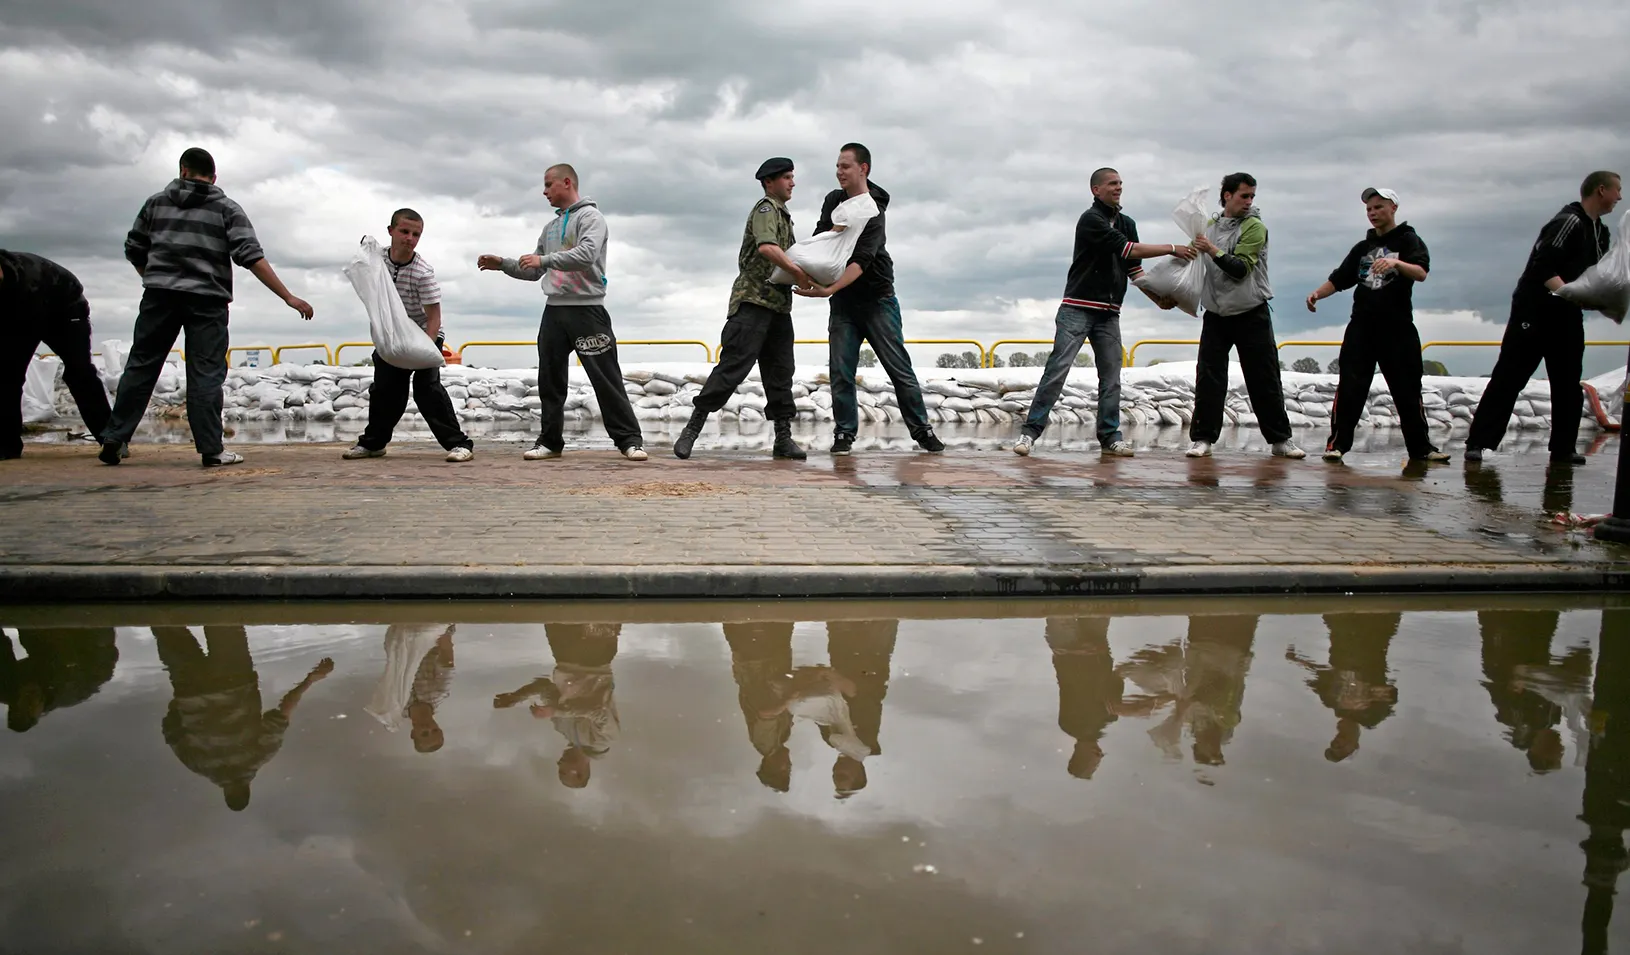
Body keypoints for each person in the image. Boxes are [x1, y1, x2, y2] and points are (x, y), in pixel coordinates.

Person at [100, 147, 314, 468]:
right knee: (205, 374)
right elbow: (250, 256)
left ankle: (115, 439)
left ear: (183, 170)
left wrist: (154, 278)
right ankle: (212, 450)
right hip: (207, 302)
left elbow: (134, 247)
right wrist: (287, 296)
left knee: (142, 366)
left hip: (159, 297)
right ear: (214, 178)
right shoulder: (226, 209)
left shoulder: (156, 203)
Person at [1013, 168, 1195, 458]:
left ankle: (1110, 437)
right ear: (1096, 190)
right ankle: (1029, 433)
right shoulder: (1091, 220)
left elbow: (1133, 270)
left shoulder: (1128, 222)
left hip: (1109, 313)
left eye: (1121, 183)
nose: (1118, 188)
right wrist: (1172, 248)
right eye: (1112, 184)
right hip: (1078, 308)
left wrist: (1156, 298)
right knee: (1057, 371)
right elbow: (1125, 249)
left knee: (1111, 378)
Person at [478, 164, 646, 461]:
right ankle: (550, 441)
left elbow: (585, 255)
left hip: (587, 309)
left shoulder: (592, 218)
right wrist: (502, 263)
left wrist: (543, 259)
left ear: (566, 183)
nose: (544, 192)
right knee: (550, 380)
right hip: (554, 312)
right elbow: (533, 270)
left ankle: (629, 440)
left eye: (548, 185)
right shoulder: (551, 228)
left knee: (606, 379)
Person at [795, 143, 943, 455]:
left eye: (845, 166)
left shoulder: (874, 209)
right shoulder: (834, 201)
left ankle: (923, 431)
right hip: (844, 303)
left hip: (877, 299)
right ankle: (844, 434)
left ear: (864, 169)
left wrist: (828, 289)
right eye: (837, 166)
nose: (839, 172)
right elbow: (823, 241)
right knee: (840, 371)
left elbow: (861, 260)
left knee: (898, 368)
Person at [1467, 171, 1620, 465]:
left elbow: (1595, 275)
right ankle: (1478, 442)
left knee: (1567, 382)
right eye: (1617, 190)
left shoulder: (1601, 232)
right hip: (1534, 310)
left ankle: (1563, 448)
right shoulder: (1568, 221)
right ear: (1601, 190)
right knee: (1510, 377)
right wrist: (1570, 293)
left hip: (1567, 313)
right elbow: (1543, 267)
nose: (1620, 197)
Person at [674, 158, 812, 461]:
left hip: (778, 306)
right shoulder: (766, 209)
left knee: (780, 374)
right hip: (753, 303)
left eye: (792, 176)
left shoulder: (784, 215)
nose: (792, 182)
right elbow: (767, 247)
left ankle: (783, 438)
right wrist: (799, 273)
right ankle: (691, 431)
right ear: (769, 182)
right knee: (731, 368)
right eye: (787, 177)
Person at [1306, 188, 1450, 464]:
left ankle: (1420, 448)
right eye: (1369, 209)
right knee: (1350, 386)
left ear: (1393, 208)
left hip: (1398, 327)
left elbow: (1421, 272)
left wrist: (1397, 262)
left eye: (1378, 208)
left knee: (1407, 389)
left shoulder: (1409, 239)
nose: (1372, 213)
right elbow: (1340, 279)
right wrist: (1317, 294)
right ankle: (1337, 445)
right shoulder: (1363, 248)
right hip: (1362, 326)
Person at [1186, 173, 1304, 459]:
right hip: (1216, 314)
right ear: (1226, 195)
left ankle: (1280, 440)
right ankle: (1202, 439)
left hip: (1251, 312)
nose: (1249, 202)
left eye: (1252, 196)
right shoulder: (1210, 228)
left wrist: (1211, 249)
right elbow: (1193, 265)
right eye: (1244, 196)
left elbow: (1239, 269)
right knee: (1209, 377)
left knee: (1263, 377)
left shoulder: (1254, 227)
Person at [153, 625, 332, 811]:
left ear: (248, 788)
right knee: (166, 625)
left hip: (234, 678)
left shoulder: (259, 756)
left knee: (225, 621)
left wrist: (310, 679)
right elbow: (170, 729)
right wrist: (184, 701)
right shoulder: (198, 763)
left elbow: (284, 711)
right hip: (190, 686)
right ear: (225, 792)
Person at [344, 210, 474, 463]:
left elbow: (434, 317)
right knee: (385, 391)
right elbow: (364, 256)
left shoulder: (422, 273)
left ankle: (459, 444)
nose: (409, 238)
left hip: (425, 335)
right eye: (404, 231)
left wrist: (425, 347)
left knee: (427, 389)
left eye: (416, 234)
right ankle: (373, 444)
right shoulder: (379, 259)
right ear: (390, 231)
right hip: (392, 336)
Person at [1, 251, 112, 459]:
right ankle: (7, 445)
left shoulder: (28, 279)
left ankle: (110, 438)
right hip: (22, 313)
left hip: (67, 310)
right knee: (7, 376)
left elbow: (23, 331)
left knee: (80, 372)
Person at [493, 622, 620, 789]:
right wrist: (556, 711)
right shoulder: (604, 739)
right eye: (563, 771)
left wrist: (516, 697)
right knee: (596, 604)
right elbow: (598, 712)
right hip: (596, 659)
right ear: (581, 772)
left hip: (563, 655)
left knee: (554, 609)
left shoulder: (562, 728)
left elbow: (544, 686)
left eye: (558, 770)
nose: (559, 763)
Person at [1286, 613, 1400, 762]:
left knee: (1336, 613)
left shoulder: (1330, 701)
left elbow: (1319, 673)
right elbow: (1392, 693)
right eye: (1342, 748)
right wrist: (1369, 693)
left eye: (1334, 744)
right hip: (1372, 640)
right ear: (1355, 746)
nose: (1338, 742)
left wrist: (1298, 660)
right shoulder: (1372, 717)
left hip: (1342, 636)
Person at [0, 628, 118, 732]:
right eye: (31, 703)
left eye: (26, 699)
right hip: (94, 649)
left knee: (32, 630)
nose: (30, 699)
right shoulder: (65, 685)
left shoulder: (5, 686)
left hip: (59, 654)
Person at [364, 624, 456, 754]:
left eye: (424, 734)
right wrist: (442, 627)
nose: (429, 728)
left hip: (399, 638)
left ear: (413, 734)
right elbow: (446, 655)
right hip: (431, 634)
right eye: (435, 730)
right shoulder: (439, 691)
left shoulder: (394, 707)